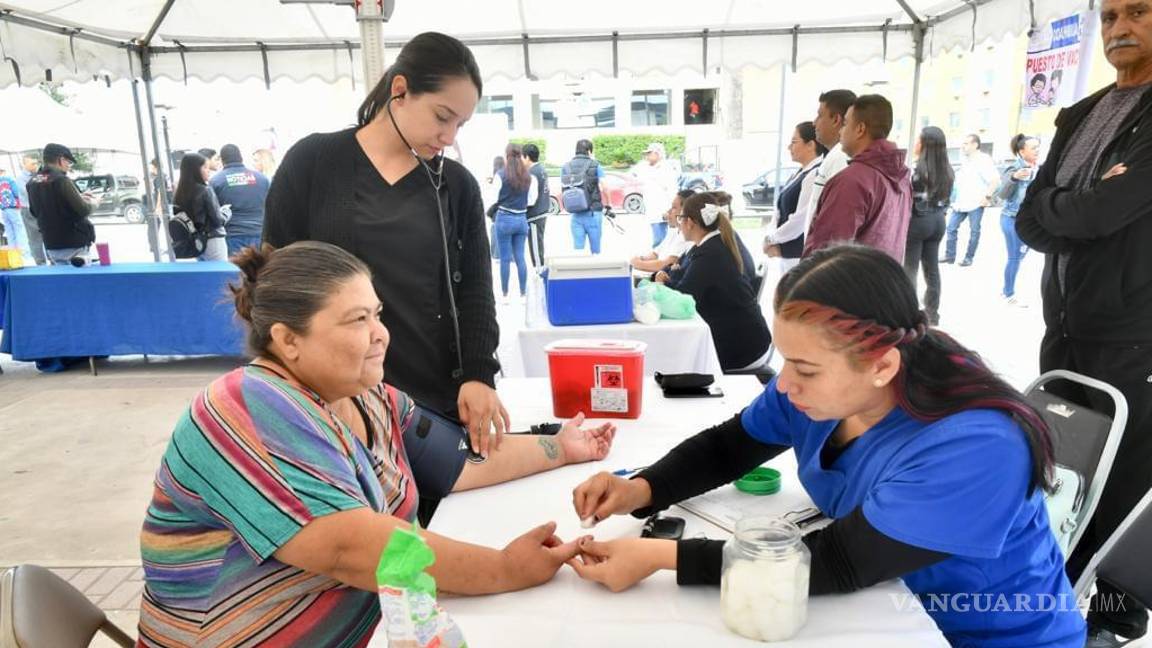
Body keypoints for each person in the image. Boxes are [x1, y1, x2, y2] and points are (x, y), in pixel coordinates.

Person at [570, 244, 1087, 648]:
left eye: (806, 369)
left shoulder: (978, 446)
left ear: (883, 365)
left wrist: (661, 556)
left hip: (981, 633)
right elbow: (733, 445)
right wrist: (641, 487)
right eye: (787, 360)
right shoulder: (822, 386)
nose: (785, 384)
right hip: (886, 605)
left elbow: (839, 562)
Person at [138, 241, 612, 646]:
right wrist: (505, 570)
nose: (381, 334)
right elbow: (356, 549)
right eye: (357, 319)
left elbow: (460, 464)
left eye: (377, 314)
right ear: (287, 341)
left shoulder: (367, 397)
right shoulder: (249, 406)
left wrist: (565, 449)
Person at [264, 32, 508, 462]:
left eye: (460, 125)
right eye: (441, 116)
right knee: (360, 525)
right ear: (400, 90)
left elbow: (475, 289)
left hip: (434, 400)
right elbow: (271, 284)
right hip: (332, 404)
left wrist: (478, 373)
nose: (448, 136)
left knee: (429, 521)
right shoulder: (313, 162)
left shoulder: (456, 186)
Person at [1016, 2, 1152, 642]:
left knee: (1126, 472)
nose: (1119, 28)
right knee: (1064, 463)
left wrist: (1066, 205)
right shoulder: (1082, 112)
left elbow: (1106, 211)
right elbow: (1028, 219)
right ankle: (1059, 587)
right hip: (1066, 323)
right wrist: (1075, 202)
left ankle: (1116, 612)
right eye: (1109, 16)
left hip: (1134, 330)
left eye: (1141, 12)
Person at [655, 192, 771, 371]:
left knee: (673, 359)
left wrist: (665, 282)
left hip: (744, 349)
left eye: (680, 218)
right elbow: (680, 273)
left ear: (690, 222)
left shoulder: (711, 253)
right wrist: (671, 276)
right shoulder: (709, 245)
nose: (679, 224)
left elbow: (684, 296)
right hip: (746, 339)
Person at [803, 94, 912, 262]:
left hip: (850, 285)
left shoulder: (852, 181)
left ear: (860, 129)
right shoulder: (903, 179)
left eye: (845, 124)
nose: (840, 130)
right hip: (884, 283)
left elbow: (827, 254)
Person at [902, 126, 954, 326]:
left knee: (910, 269)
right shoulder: (948, 170)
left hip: (918, 221)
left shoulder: (916, 171)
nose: (915, 143)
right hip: (938, 221)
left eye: (918, 140)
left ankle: (908, 313)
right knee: (932, 269)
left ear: (924, 145)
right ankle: (932, 314)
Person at [763, 121, 827, 273]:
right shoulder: (800, 173)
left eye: (794, 142)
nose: (789, 147)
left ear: (811, 145)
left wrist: (772, 239)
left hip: (796, 255)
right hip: (786, 254)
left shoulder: (814, 174)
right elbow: (779, 211)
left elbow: (800, 220)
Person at [25, 143, 97, 265]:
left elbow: (34, 211)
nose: (68, 166)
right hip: (74, 243)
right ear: (61, 160)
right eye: (68, 162)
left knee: (61, 281)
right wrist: (95, 203)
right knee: (78, 281)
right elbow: (83, 209)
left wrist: (78, 197)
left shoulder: (33, 181)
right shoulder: (61, 180)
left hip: (51, 244)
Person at [491, 143, 538, 303]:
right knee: (520, 257)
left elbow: (493, 198)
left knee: (504, 258)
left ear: (507, 156)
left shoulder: (501, 174)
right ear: (520, 156)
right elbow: (531, 200)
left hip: (504, 218)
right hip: (521, 219)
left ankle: (505, 295)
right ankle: (523, 294)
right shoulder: (530, 177)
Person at [943, 134, 999, 266]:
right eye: (963, 144)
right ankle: (949, 255)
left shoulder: (984, 159)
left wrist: (987, 197)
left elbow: (995, 180)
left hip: (976, 202)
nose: (963, 146)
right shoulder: (965, 159)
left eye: (966, 144)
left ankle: (969, 258)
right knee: (951, 228)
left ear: (975, 145)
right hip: (961, 202)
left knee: (974, 231)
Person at [998, 134, 1039, 307]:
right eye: (1033, 148)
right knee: (1015, 257)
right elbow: (1002, 194)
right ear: (1022, 151)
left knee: (1020, 254)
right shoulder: (1014, 168)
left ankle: (1007, 288)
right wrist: (1014, 178)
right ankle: (1009, 293)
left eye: (1038, 147)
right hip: (1011, 218)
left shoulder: (1038, 168)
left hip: (1029, 220)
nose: (1037, 151)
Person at [210, 144, 271, 256]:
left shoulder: (216, 181)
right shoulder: (262, 179)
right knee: (260, 269)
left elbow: (213, 211)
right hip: (259, 233)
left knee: (237, 271)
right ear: (241, 157)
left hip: (233, 235)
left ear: (223, 160)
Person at [806, 89, 857, 223]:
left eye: (819, 116)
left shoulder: (841, 158)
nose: (814, 123)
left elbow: (836, 219)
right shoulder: (834, 155)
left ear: (835, 120)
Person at [173, 153, 227, 262]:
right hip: (213, 240)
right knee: (219, 275)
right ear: (195, 170)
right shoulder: (205, 190)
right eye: (205, 167)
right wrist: (226, 213)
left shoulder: (179, 193)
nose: (208, 170)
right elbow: (217, 220)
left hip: (195, 242)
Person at [631, 189, 695, 274]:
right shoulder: (674, 231)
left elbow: (666, 264)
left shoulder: (686, 237)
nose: (668, 212)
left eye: (674, 208)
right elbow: (655, 254)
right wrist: (641, 259)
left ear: (684, 211)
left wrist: (638, 263)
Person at [561, 139, 605, 255]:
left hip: (575, 214)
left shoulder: (566, 167)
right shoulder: (595, 165)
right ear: (589, 151)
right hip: (593, 213)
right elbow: (604, 187)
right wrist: (608, 205)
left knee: (578, 251)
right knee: (595, 251)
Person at [633, 141, 678, 247]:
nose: (647, 156)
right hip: (653, 210)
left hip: (663, 210)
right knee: (659, 238)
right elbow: (635, 175)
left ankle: (661, 261)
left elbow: (672, 190)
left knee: (660, 240)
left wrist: (671, 209)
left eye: (649, 153)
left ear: (657, 154)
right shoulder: (647, 168)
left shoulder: (666, 169)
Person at [15, 155, 46, 265]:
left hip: (42, 209)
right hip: (28, 210)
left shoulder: (39, 176)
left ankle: (52, 260)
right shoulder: (20, 179)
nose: (35, 165)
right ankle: (40, 263)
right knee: (35, 238)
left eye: (36, 163)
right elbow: (28, 193)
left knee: (47, 234)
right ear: (24, 165)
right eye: (32, 163)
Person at [523, 142, 550, 266]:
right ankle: (540, 269)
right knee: (539, 243)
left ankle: (539, 273)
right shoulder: (542, 169)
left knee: (535, 246)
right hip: (542, 211)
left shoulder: (532, 173)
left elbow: (531, 199)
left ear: (527, 157)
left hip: (534, 215)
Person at [0, 167, 33, 262]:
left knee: (10, 231)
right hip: (13, 207)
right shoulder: (9, 179)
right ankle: (24, 254)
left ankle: (13, 254)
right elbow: (17, 192)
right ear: (3, 171)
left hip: (3, 209)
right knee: (20, 230)